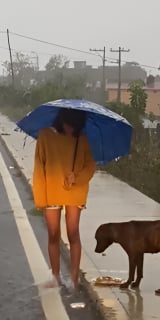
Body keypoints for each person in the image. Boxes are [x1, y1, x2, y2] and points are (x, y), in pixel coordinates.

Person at [32, 108, 96, 289]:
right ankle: (55, 276)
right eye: (68, 125)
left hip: (74, 190)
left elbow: (90, 165)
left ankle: (74, 278)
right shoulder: (45, 136)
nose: (70, 130)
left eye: (75, 126)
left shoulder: (80, 139)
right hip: (51, 190)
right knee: (53, 234)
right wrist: (40, 198)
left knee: (72, 232)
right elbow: (39, 167)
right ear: (61, 121)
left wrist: (77, 177)